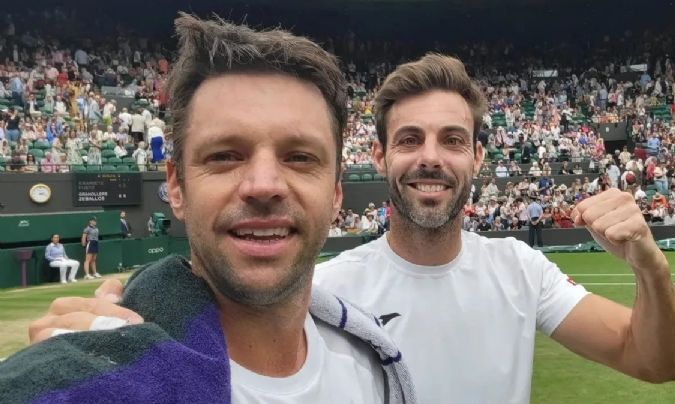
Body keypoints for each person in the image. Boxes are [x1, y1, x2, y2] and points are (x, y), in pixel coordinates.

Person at [23, 41, 675, 404]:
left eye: (453, 140)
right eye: (411, 139)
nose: (431, 157)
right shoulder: (323, 299)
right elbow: (180, 343)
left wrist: (649, 266)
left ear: (479, 157)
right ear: (377, 158)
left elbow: (655, 362)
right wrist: (113, 327)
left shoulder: (520, 268)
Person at [1, 14, 414, 404]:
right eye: (225, 156)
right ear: (175, 186)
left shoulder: (372, 366)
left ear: (337, 192)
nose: (264, 186)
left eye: (300, 157)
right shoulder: (88, 381)